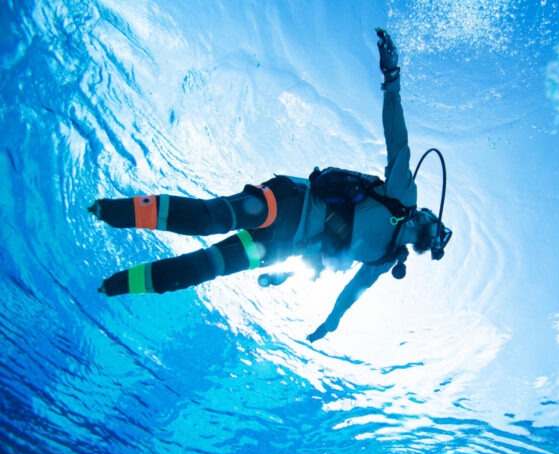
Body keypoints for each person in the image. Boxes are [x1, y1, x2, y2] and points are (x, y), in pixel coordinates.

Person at [89, 29, 451, 342]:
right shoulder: (404, 198)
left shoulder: (385, 260)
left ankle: (115, 285)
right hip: (290, 201)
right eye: (443, 229)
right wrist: (392, 76)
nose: (440, 236)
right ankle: (110, 210)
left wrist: (332, 321)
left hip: (279, 246)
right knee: (207, 219)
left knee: (204, 268)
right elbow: (397, 139)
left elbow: (353, 289)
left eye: (443, 240)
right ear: (430, 217)